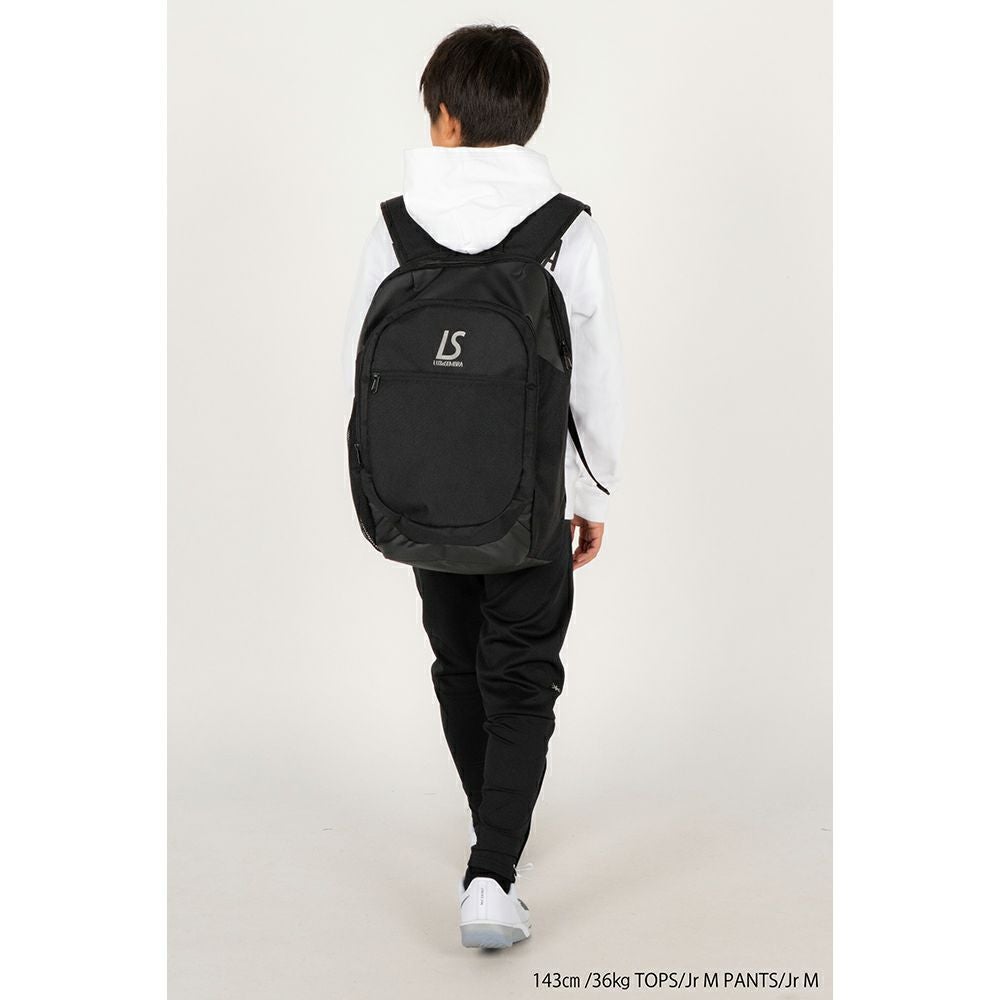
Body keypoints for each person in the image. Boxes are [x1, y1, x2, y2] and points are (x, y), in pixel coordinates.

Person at [341, 24, 625, 948]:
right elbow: (595, 377)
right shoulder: (565, 228)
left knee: (457, 664)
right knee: (523, 675)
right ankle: (493, 871)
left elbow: (361, 370)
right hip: (531, 503)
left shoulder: (395, 226)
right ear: (528, 118)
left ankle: (492, 836)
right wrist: (593, 495)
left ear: (446, 117)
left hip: (425, 495)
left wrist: (390, 481)